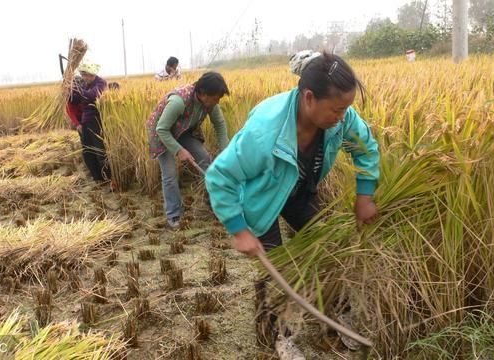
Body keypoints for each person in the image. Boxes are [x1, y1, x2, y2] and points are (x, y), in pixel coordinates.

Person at [205, 51, 380, 360]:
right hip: (262, 199)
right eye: (337, 110)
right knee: (277, 269)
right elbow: (220, 177)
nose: (343, 117)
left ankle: (338, 315)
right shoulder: (264, 133)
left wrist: (364, 197)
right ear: (309, 98)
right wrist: (238, 229)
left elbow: (366, 149)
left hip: (300, 191)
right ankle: (279, 336)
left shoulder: (342, 119)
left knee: (330, 250)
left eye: (347, 109)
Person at [146, 71, 230, 229]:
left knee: (206, 161)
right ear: (203, 93)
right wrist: (179, 150)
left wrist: (226, 153)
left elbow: (220, 125)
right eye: (216, 97)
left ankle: (214, 204)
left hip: (184, 131)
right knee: (170, 174)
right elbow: (162, 129)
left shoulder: (211, 104)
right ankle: (174, 215)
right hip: (161, 133)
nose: (217, 101)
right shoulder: (179, 101)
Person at [66, 59, 114, 188]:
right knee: (87, 151)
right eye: (83, 75)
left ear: (91, 74)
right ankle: (97, 178)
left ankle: (108, 178)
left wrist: (77, 89)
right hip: (86, 121)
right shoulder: (85, 84)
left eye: (85, 75)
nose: (84, 78)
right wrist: (69, 90)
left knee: (99, 150)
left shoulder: (100, 83)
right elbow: (75, 99)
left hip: (97, 121)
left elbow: (91, 96)